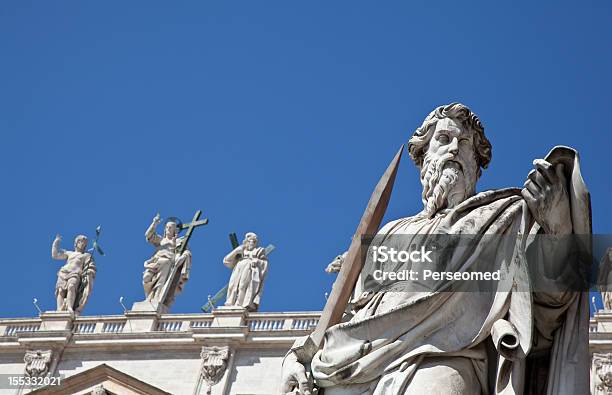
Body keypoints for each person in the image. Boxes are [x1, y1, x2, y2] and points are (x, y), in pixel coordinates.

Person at [280, 103, 591, 395]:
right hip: (353, 365)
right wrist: (297, 356)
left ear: (477, 163)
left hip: (442, 359)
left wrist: (556, 226)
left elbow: (550, 303)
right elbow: (351, 312)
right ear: (424, 155)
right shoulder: (390, 233)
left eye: (466, 143)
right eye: (444, 138)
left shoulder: (504, 217)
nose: (455, 148)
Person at [143, 213, 192, 307]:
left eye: (170, 227)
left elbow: (186, 252)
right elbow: (148, 235)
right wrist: (154, 223)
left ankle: (155, 299)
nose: (168, 229)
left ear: (175, 230)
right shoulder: (161, 240)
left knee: (161, 282)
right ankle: (149, 297)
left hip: (167, 263)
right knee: (146, 278)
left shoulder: (179, 241)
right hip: (154, 262)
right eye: (166, 227)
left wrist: (180, 256)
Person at [51, 234, 96, 314]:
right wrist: (56, 242)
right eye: (80, 242)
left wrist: (89, 272)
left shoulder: (86, 255)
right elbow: (55, 255)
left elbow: (91, 267)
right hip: (63, 272)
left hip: (75, 273)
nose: (82, 244)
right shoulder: (69, 253)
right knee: (60, 290)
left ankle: (69, 307)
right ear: (76, 243)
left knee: (71, 286)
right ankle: (59, 310)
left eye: (84, 243)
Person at [224, 232, 268, 312]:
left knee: (243, 286)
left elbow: (264, 263)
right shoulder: (241, 250)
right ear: (246, 241)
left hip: (249, 268)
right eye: (250, 241)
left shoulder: (259, 251)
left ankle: (239, 304)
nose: (252, 243)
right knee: (232, 286)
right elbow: (226, 261)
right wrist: (236, 251)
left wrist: (257, 261)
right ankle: (230, 302)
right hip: (238, 267)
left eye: (254, 241)